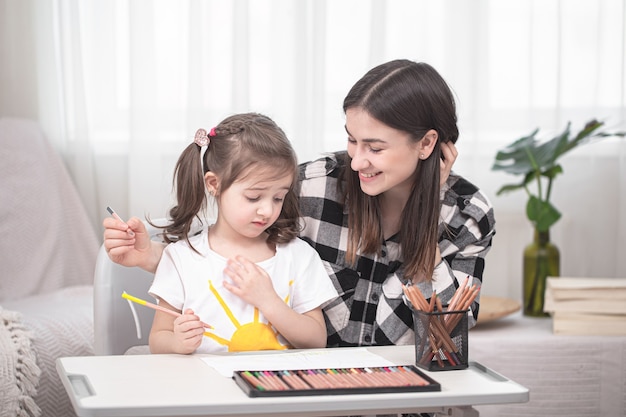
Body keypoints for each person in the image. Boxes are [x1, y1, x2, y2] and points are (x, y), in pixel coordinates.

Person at [104, 59, 495, 350]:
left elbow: (442, 341)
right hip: (310, 393)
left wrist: (428, 214)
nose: (357, 161)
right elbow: (236, 246)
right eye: (351, 140)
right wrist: (153, 256)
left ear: (427, 144)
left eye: (375, 147)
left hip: (407, 399)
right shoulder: (315, 185)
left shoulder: (467, 216)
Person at [140, 112, 337, 354]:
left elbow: (317, 340)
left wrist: (269, 302)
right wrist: (177, 342)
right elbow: (158, 339)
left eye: (278, 198)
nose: (267, 210)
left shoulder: (298, 256)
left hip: (275, 387)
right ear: (214, 184)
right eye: (253, 197)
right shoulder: (181, 257)